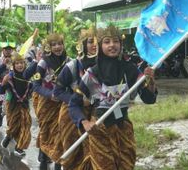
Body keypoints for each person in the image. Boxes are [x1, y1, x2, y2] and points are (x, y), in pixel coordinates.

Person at [69, 26, 157, 170]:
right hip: (100, 129)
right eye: (107, 42)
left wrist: (151, 82)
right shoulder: (92, 74)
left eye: (116, 41)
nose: (112, 45)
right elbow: (73, 104)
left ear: (121, 45)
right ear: (100, 46)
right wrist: (84, 122)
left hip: (124, 128)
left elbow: (149, 99)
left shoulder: (130, 69)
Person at [53, 28, 97, 169]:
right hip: (71, 113)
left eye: (97, 41)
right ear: (83, 45)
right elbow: (58, 91)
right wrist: (77, 98)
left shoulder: (104, 65)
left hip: (95, 113)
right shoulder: (72, 66)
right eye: (90, 42)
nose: (94, 45)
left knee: (93, 152)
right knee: (72, 152)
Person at [33, 33, 69, 170]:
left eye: (60, 44)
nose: (58, 47)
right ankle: (43, 158)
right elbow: (35, 85)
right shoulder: (43, 63)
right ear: (49, 47)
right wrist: (49, 94)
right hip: (46, 103)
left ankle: (58, 164)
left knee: (60, 133)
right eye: (54, 45)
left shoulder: (69, 61)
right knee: (46, 131)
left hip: (62, 103)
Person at [0, 52, 33, 156]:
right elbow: (1, 91)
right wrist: (3, 83)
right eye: (17, 63)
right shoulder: (8, 77)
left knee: (26, 125)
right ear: (13, 65)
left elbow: (32, 89)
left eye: (22, 63)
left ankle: (19, 147)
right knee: (14, 126)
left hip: (24, 105)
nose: (20, 65)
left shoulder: (28, 76)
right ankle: (9, 136)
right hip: (12, 105)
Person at [0, 41, 16, 127]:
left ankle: (12, 126)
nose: (8, 51)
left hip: (14, 86)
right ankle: (1, 114)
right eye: (6, 49)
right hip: (3, 86)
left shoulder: (16, 59)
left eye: (9, 49)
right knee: (4, 104)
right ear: (3, 50)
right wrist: (3, 64)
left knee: (12, 105)